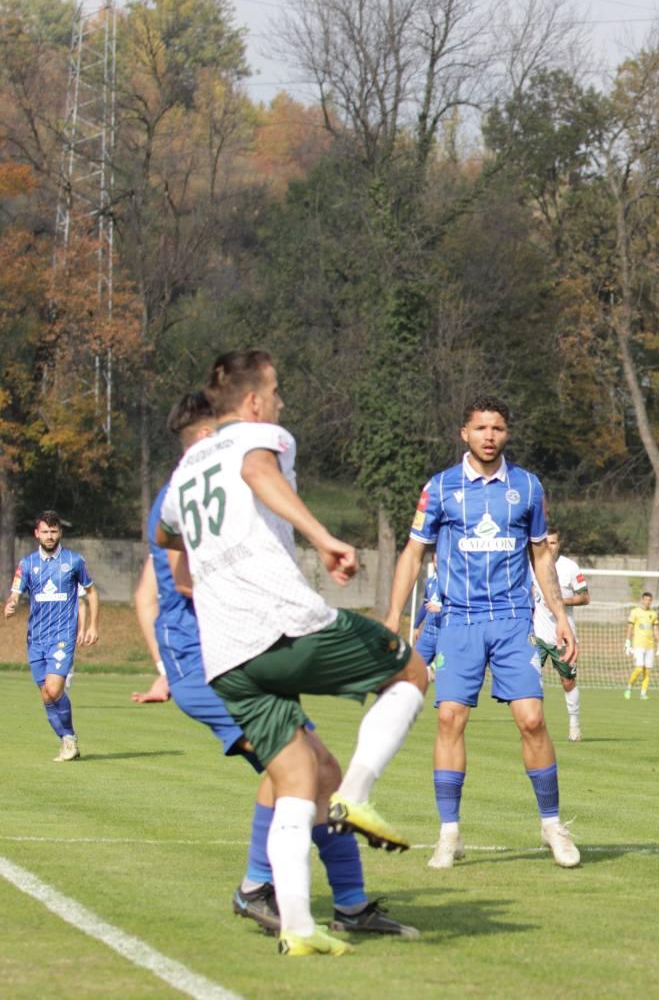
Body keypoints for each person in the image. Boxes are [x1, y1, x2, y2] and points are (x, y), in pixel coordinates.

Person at [156, 350, 429, 957]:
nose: (280, 400)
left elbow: (165, 535)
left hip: (226, 656)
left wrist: (195, 565)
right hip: (281, 626)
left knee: (296, 781)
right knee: (410, 668)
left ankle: (301, 929)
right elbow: (256, 470)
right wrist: (325, 537)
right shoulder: (259, 436)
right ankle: (358, 792)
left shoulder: (183, 473)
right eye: (276, 390)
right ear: (253, 401)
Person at [383, 396, 580, 873]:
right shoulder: (441, 488)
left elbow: (540, 557)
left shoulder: (528, 487)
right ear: (464, 434)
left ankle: (553, 825)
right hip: (458, 620)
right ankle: (449, 834)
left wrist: (559, 615)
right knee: (450, 719)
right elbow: (413, 554)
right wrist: (392, 618)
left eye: (497, 428)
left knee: (532, 719)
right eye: (480, 428)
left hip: (513, 620)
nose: (489, 435)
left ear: (506, 434)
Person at [6, 510, 98, 761]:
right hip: (35, 639)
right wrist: (11, 603)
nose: (49, 536)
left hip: (62, 636)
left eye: (54, 531)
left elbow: (91, 592)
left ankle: (69, 739)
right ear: (37, 534)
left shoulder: (74, 561)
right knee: (46, 694)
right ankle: (67, 739)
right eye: (45, 531)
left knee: (55, 688)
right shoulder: (27, 564)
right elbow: (16, 592)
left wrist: (92, 626)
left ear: (60, 532)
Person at [532, 528, 588, 740]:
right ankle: (535, 728)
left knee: (567, 681)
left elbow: (585, 597)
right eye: (545, 543)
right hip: (536, 635)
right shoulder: (531, 564)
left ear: (559, 545)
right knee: (530, 681)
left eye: (553, 543)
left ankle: (574, 725)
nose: (549, 547)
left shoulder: (569, 567)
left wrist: (560, 601)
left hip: (563, 637)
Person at [623, 592, 659, 700]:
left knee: (647, 671)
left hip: (650, 645)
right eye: (646, 600)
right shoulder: (635, 612)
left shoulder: (653, 613)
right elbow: (630, 627)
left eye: (649, 600)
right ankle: (629, 688)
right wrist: (627, 642)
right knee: (639, 668)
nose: (647, 602)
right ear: (642, 599)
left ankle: (643, 693)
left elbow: (656, 630)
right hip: (638, 644)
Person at [413, 559, 443, 673]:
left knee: (443, 672)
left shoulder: (452, 584)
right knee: (415, 668)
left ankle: (434, 669)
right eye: (436, 561)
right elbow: (425, 605)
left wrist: (440, 609)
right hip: (428, 633)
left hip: (445, 633)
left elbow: (457, 609)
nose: (438, 564)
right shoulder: (430, 582)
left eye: (440, 561)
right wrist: (416, 626)